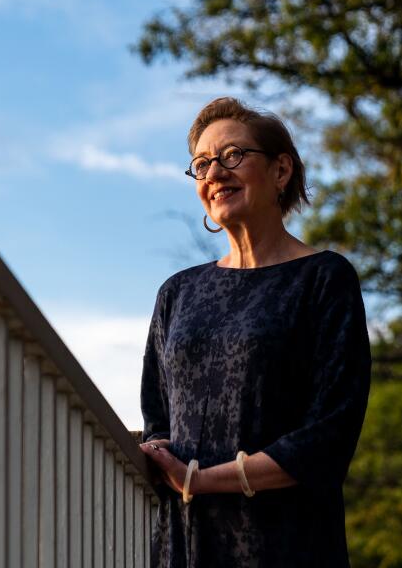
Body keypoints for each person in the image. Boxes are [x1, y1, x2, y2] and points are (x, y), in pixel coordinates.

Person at [139, 96, 372, 567]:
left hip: (287, 545)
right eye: (202, 165)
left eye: (233, 156)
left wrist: (200, 480)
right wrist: (161, 454)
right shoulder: (177, 292)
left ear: (281, 171)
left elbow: (329, 436)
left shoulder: (325, 279)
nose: (214, 174)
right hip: (185, 545)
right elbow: (158, 421)